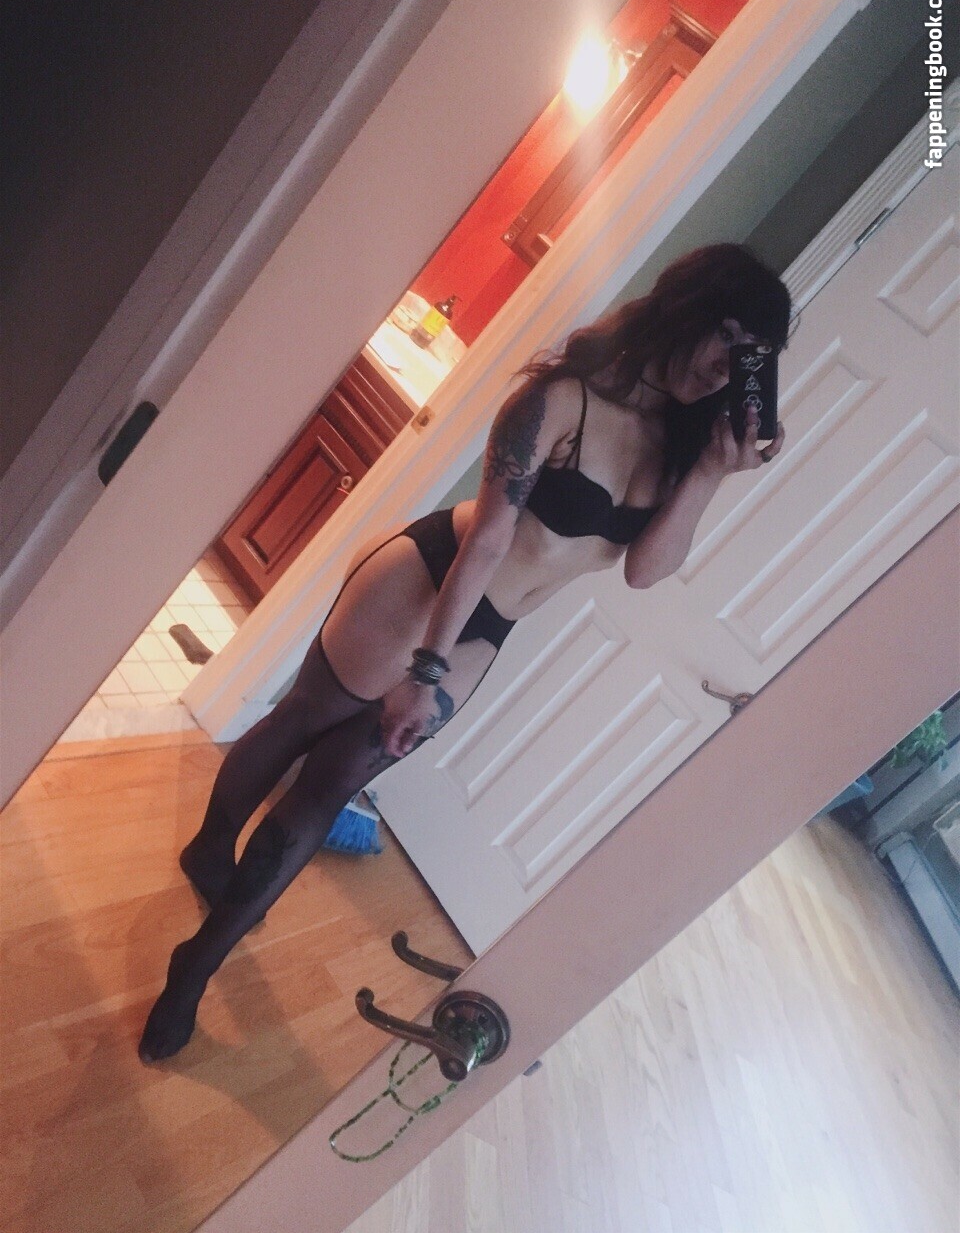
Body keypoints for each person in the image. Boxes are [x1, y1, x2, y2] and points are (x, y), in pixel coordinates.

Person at [138, 243, 791, 1062]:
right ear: (686, 306)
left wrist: (713, 474)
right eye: (726, 335)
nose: (727, 367)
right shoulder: (563, 397)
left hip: (492, 626)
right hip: (427, 577)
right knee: (302, 723)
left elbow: (646, 571)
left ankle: (196, 964)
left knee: (333, 783)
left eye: (751, 356)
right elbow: (486, 541)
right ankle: (210, 845)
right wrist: (426, 668)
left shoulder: (683, 448)